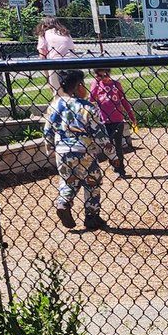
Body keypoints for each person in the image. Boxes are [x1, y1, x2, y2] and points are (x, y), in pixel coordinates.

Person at [42, 68, 114, 230]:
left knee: (68, 181)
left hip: (63, 152)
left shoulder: (54, 106)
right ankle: (91, 216)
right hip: (84, 151)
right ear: (79, 86)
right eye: (84, 85)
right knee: (92, 182)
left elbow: (47, 130)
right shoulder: (88, 108)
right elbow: (100, 135)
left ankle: (63, 203)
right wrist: (113, 156)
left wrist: (51, 148)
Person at [90, 68, 137, 177]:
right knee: (109, 147)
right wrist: (96, 83)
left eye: (105, 75)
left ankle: (121, 171)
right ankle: (114, 166)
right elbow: (91, 99)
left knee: (118, 146)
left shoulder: (116, 85)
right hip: (104, 121)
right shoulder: (97, 85)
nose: (104, 78)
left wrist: (131, 116)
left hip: (118, 119)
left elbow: (124, 101)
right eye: (100, 76)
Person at [35, 17, 75, 90]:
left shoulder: (44, 34)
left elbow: (42, 56)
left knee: (57, 93)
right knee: (72, 90)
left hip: (56, 64)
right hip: (72, 63)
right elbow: (72, 49)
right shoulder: (65, 33)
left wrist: (47, 77)